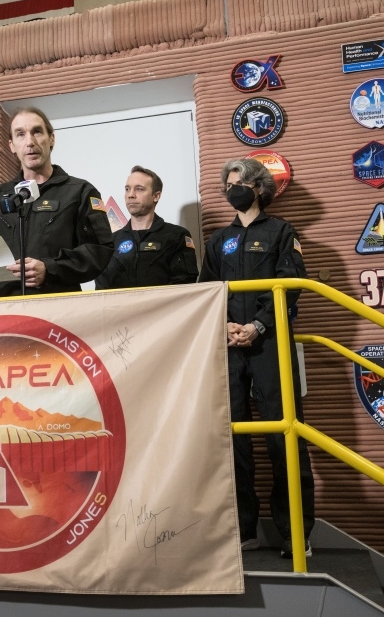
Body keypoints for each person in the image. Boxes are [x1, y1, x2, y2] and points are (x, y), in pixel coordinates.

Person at [199, 157, 315, 558]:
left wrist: (259, 326)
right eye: (230, 182)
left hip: (271, 345)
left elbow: (291, 283)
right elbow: (206, 290)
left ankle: (295, 533)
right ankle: (242, 530)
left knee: (284, 437)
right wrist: (227, 325)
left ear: (260, 187)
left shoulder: (282, 231)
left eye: (243, 181)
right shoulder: (217, 240)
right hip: (226, 347)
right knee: (232, 441)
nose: (236, 187)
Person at [0, 107, 114, 296]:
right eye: (20, 134)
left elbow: (99, 250)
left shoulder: (80, 192)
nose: (30, 142)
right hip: (6, 309)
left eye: (37, 131)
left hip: (59, 309)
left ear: (51, 139)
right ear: (11, 145)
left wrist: (50, 269)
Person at [95, 165, 198, 289]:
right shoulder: (111, 242)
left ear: (156, 196)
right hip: (119, 308)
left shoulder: (176, 236)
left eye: (139, 189)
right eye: (127, 189)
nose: (131, 195)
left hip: (164, 307)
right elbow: (102, 289)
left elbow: (184, 284)